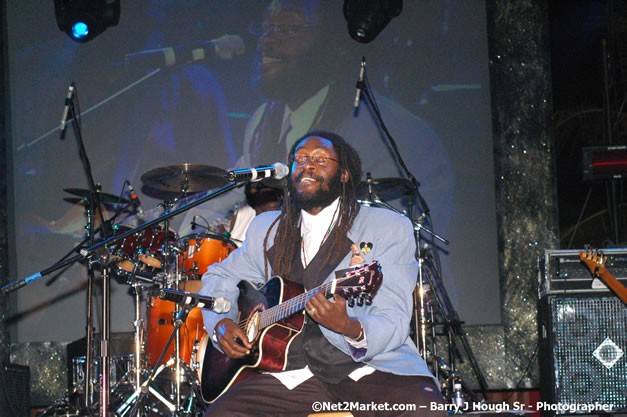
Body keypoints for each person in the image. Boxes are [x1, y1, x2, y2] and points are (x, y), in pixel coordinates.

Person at [200, 131, 446, 417]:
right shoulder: (267, 228)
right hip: (289, 375)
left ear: (343, 174)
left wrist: (349, 327)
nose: (308, 165)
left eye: (320, 159)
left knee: (423, 409)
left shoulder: (386, 226)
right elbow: (220, 276)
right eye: (300, 159)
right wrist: (221, 325)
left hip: (367, 370)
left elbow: (393, 315)